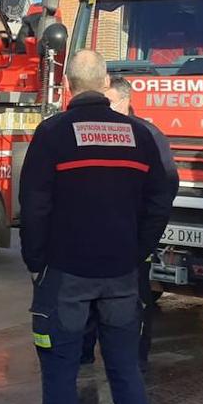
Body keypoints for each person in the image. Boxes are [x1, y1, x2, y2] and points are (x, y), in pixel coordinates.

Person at [15, 51, 175, 404]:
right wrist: (138, 248)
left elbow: (35, 205)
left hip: (64, 277)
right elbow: (161, 195)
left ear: (67, 85)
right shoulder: (140, 136)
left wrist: (35, 263)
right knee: (127, 377)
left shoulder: (53, 135)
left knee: (61, 382)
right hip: (122, 276)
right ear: (106, 83)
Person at [78, 76, 180, 372]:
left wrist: (143, 243)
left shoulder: (147, 135)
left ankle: (133, 361)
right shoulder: (92, 132)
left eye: (108, 100)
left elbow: (163, 192)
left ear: (124, 100)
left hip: (130, 245)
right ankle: (84, 355)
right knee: (87, 305)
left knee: (133, 307)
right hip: (91, 243)